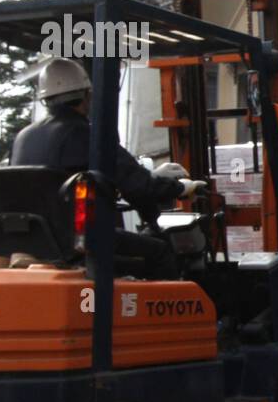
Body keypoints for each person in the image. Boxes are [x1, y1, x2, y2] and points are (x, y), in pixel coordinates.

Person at [11, 59, 205, 278]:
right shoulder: (87, 135)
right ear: (87, 95)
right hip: (79, 240)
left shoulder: (23, 137)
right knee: (160, 252)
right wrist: (180, 188)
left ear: (45, 100)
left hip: (34, 240)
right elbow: (138, 185)